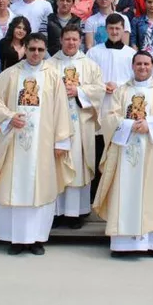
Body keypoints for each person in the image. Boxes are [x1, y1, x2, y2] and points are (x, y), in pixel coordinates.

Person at [94, 51, 153, 259]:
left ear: (152, 66)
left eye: (146, 64)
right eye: (139, 64)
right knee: (126, 193)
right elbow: (109, 117)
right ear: (133, 65)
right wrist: (129, 125)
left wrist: (151, 124)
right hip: (126, 152)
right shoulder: (121, 91)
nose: (143, 67)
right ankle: (123, 245)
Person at [0, 33, 72, 255]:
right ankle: (14, 239)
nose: (36, 54)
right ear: (24, 48)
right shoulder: (11, 74)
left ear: (45, 52)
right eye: (32, 49)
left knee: (40, 189)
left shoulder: (52, 76)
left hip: (42, 145)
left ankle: (36, 239)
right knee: (13, 185)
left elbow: (61, 110)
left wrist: (61, 141)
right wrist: (7, 117)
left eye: (40, 50)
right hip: (14, 141)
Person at [48, 26, 105, 228]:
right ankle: (56, 212)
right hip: (55, 124)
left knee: (79, 165)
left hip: (81, 124)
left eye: (74, 39)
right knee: (57, 164)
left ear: (80, 41)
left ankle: (75, 213)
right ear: (61, 40)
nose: (71, 43)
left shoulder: (89, 65)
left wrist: (79, 91)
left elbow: (99, 90)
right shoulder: (49, 65)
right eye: (67, 39)